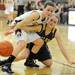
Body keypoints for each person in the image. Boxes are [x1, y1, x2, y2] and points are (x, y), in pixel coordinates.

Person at [0, 1, 56, 74]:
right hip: (18, 24)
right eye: (48, 10)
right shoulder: (36, 15)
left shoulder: (46, 18)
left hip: (27, 28)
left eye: (51, 11)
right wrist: (13, 29)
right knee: (22, 44)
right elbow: (21, 23)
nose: (49, 12)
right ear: (43, 8)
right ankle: (7, 65)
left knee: (40, 42)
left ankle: (29, 60)